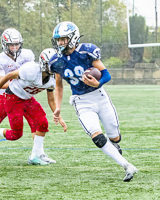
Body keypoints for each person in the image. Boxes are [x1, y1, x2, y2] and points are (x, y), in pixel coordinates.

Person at [49, 21, 138, 181]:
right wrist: (58, 108)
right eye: (58, 40)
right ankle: (127, 166)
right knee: (97, 136)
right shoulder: (57, 60)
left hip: (100, 97)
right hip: (81, 101)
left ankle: (115, 146)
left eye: (63, 39)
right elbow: (59, 86)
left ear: (73, 38)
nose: (60, 43)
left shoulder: (86, 52)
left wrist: (98, 83)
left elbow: (106, 75)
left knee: (115, 137)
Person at [0, 48, 67, 165]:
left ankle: (36, 155)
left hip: (27, 98)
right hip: (13, 97)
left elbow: (51, 99)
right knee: (16, 134)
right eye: (51, 64)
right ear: (43, 63)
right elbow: (9, 75)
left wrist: (58, 116)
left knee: (42, 122)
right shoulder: (30, 70)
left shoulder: (52, 79)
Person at [0, 28, 36, 139]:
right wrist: (20, 83)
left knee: (36, 123)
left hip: (24, 96)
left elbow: (33, 75)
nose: (15, 48)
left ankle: (38, 152)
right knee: (16, 133)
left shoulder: (27, 54)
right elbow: (1, 82)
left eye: (17, 44)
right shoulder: (1, 59)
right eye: (11, 45)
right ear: (5, 44)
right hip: (5, 96)